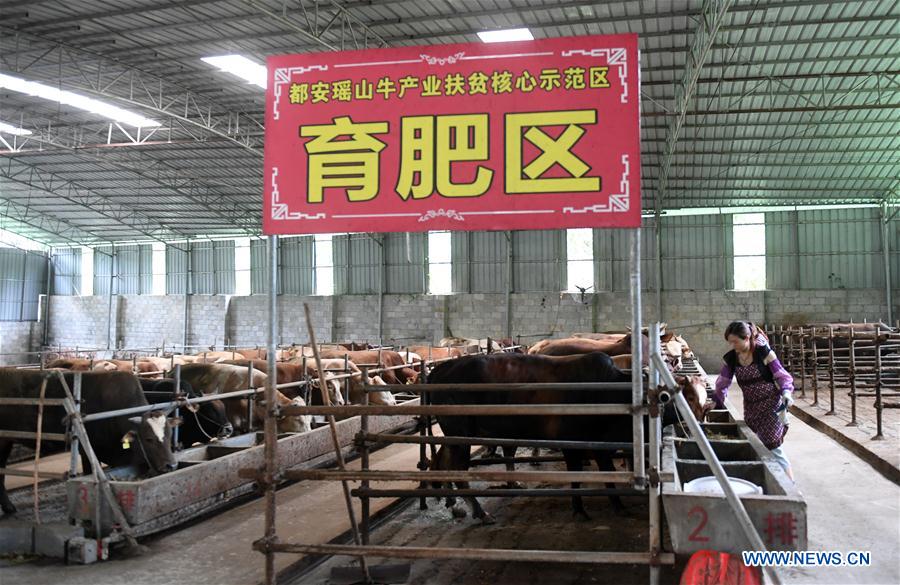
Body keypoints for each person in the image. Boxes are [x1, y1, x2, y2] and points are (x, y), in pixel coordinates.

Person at [714, 321, 795, 480]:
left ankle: (791, 486)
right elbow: (722, 383)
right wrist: (717, 402)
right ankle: (767, 480)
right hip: (751, 409)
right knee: (755, 445)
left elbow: (782, 376)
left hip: (771, 407)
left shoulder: (763, 353)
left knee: (774, 447)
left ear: (747, 338)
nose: (732, 345)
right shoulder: (732, 359)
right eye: (730, 342)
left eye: (735, 341)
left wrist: (786, 392)